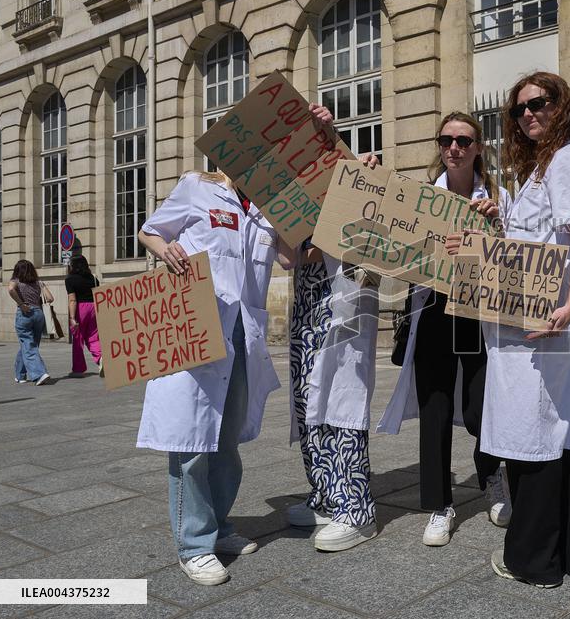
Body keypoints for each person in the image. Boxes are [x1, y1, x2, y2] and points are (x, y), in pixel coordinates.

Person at [447, 72, 570, 588]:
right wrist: (499, 217)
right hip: (528, 315)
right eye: (519, 110)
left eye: (539, 103)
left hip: (545, 320)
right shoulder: (543, 165)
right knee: (555, 428)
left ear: (561, 105)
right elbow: (533, 237)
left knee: (533, 429)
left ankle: (534, 560)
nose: (529, 114)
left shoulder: (566, 160)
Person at [137, 169, 297, 586]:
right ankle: (193, 545)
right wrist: (167, 249)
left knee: (226, 442)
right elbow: (149, 231)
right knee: (191, 442)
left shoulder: (267, 205)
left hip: (242, 336)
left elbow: (289, 258)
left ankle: (219, 525)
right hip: (195, 330)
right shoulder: (197, 188)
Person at [378, 112, 512, 547]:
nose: (454, 147)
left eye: (463, 140)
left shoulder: (498, 197)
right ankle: (439, 505)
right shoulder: (422, 200)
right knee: (434, 409)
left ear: (478, 148)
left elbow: (515, 262)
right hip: (434, 309)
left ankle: (490, 474)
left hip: (477, 312)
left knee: (480, 407)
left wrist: (495, 228)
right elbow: (397, 246)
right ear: (440, 147)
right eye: (446, 140)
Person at [286, 103, 382, 552]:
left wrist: (336, 140)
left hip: (345, 303)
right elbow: (292, 256)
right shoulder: (296, 192)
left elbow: (371, 217)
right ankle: (325, 494)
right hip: (308, 304)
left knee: (342, 399)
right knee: (309, 401)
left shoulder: (355, 174)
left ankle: (356, 510)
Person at [7, 259, 54, 386]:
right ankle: (20, 375)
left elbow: (11, 290)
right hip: (38, 314)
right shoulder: (38, 282)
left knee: (28, 344)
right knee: (29, 345)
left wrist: (21, 304)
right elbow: (50, 298)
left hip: (25, 314)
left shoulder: (16, 280)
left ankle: (40, 373)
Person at [65, 255, 102, 378]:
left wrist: (72, 318)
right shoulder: (93, 278)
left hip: (81, 309)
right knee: (93, 336)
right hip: (94, 308)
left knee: (78, 339)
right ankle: (101, 359)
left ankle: (78, 369)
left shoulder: (70, 279)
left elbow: (72, 300)